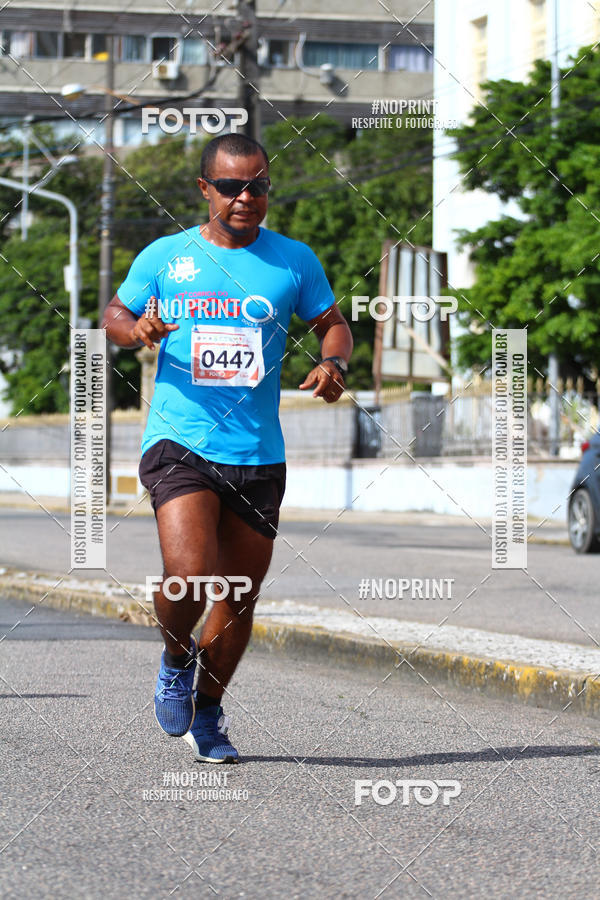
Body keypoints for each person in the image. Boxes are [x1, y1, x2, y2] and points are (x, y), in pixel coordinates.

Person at [102, 132, 353, 763]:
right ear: (204, 189)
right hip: (179, 440)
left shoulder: (293, 261)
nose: (246, 198)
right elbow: (114, 314)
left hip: (258, 452)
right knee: (189, 579)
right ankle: (172, 658)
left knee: (238, 594)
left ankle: (208, 712)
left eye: (259, 186)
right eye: (232, 187)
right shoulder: (166, 255)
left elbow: (334, 325)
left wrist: (333, 364)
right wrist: (135, 329)